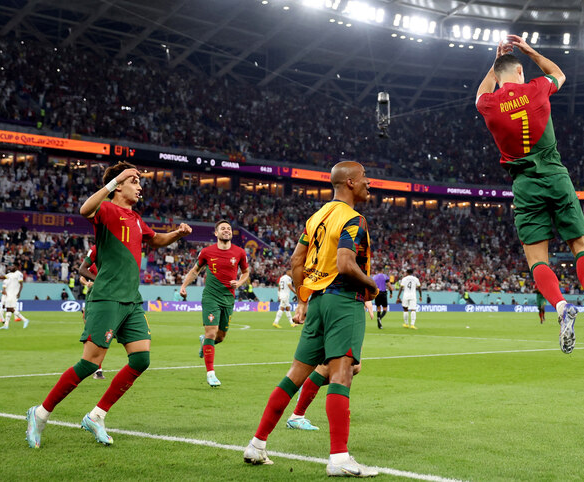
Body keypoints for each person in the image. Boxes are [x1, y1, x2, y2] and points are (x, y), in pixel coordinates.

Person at [25, 162, 191, 449]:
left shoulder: (137, 218)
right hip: (106, 297)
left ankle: (96, 415)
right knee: (90, 363)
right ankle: (39, 414)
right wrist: (114, 181)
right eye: (134, 181)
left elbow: (156, 240)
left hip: (131, 300)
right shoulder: (105, 209)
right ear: (120, 183)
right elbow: (84, 210)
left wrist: (176, 234)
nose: (139, 186)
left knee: (141, 359)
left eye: (139, 181)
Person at [476, 35, 584, 353]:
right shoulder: (537, 87)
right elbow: (560, 73)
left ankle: (562, 307)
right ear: (521, 72)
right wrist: (531, 51)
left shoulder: (490, 105)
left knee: (537, 259)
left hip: (525, 185)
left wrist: (493, 64)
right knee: (581, 245)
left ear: (498, 77)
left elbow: (480, 93)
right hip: (556, 176)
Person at [243, 161, 379, 477]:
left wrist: (304, 299)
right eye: (364, 179)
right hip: (344, 301)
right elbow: (346, 264)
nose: (368, 183)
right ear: (349, 182)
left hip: (317, 302)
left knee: (294, 375)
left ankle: (257, 443)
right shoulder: (353, 219)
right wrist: (372, 286)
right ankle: (340, 459)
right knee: (341, 374)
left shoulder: (316, 217)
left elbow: (295, 261)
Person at [179, 219, 250, 387]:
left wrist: (239, 283)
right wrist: (183, 285)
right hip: (211, 297)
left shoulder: (239, 252)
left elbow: (246, 272)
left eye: (229, 228)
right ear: (216, 233)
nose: (226, 230)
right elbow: (195, 270)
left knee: (220, 337)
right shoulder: (207, 252)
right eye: (222, 229)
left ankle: (205, 342)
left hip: (228, 299)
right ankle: (211, 374)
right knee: (211, 332)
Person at [77, 246, 106, 379]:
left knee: (104, 333)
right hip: (93, 297)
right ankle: (97, 369)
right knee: (93, 330)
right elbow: (82, 277)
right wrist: (87, 284)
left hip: (109, 297)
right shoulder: (93, 262)